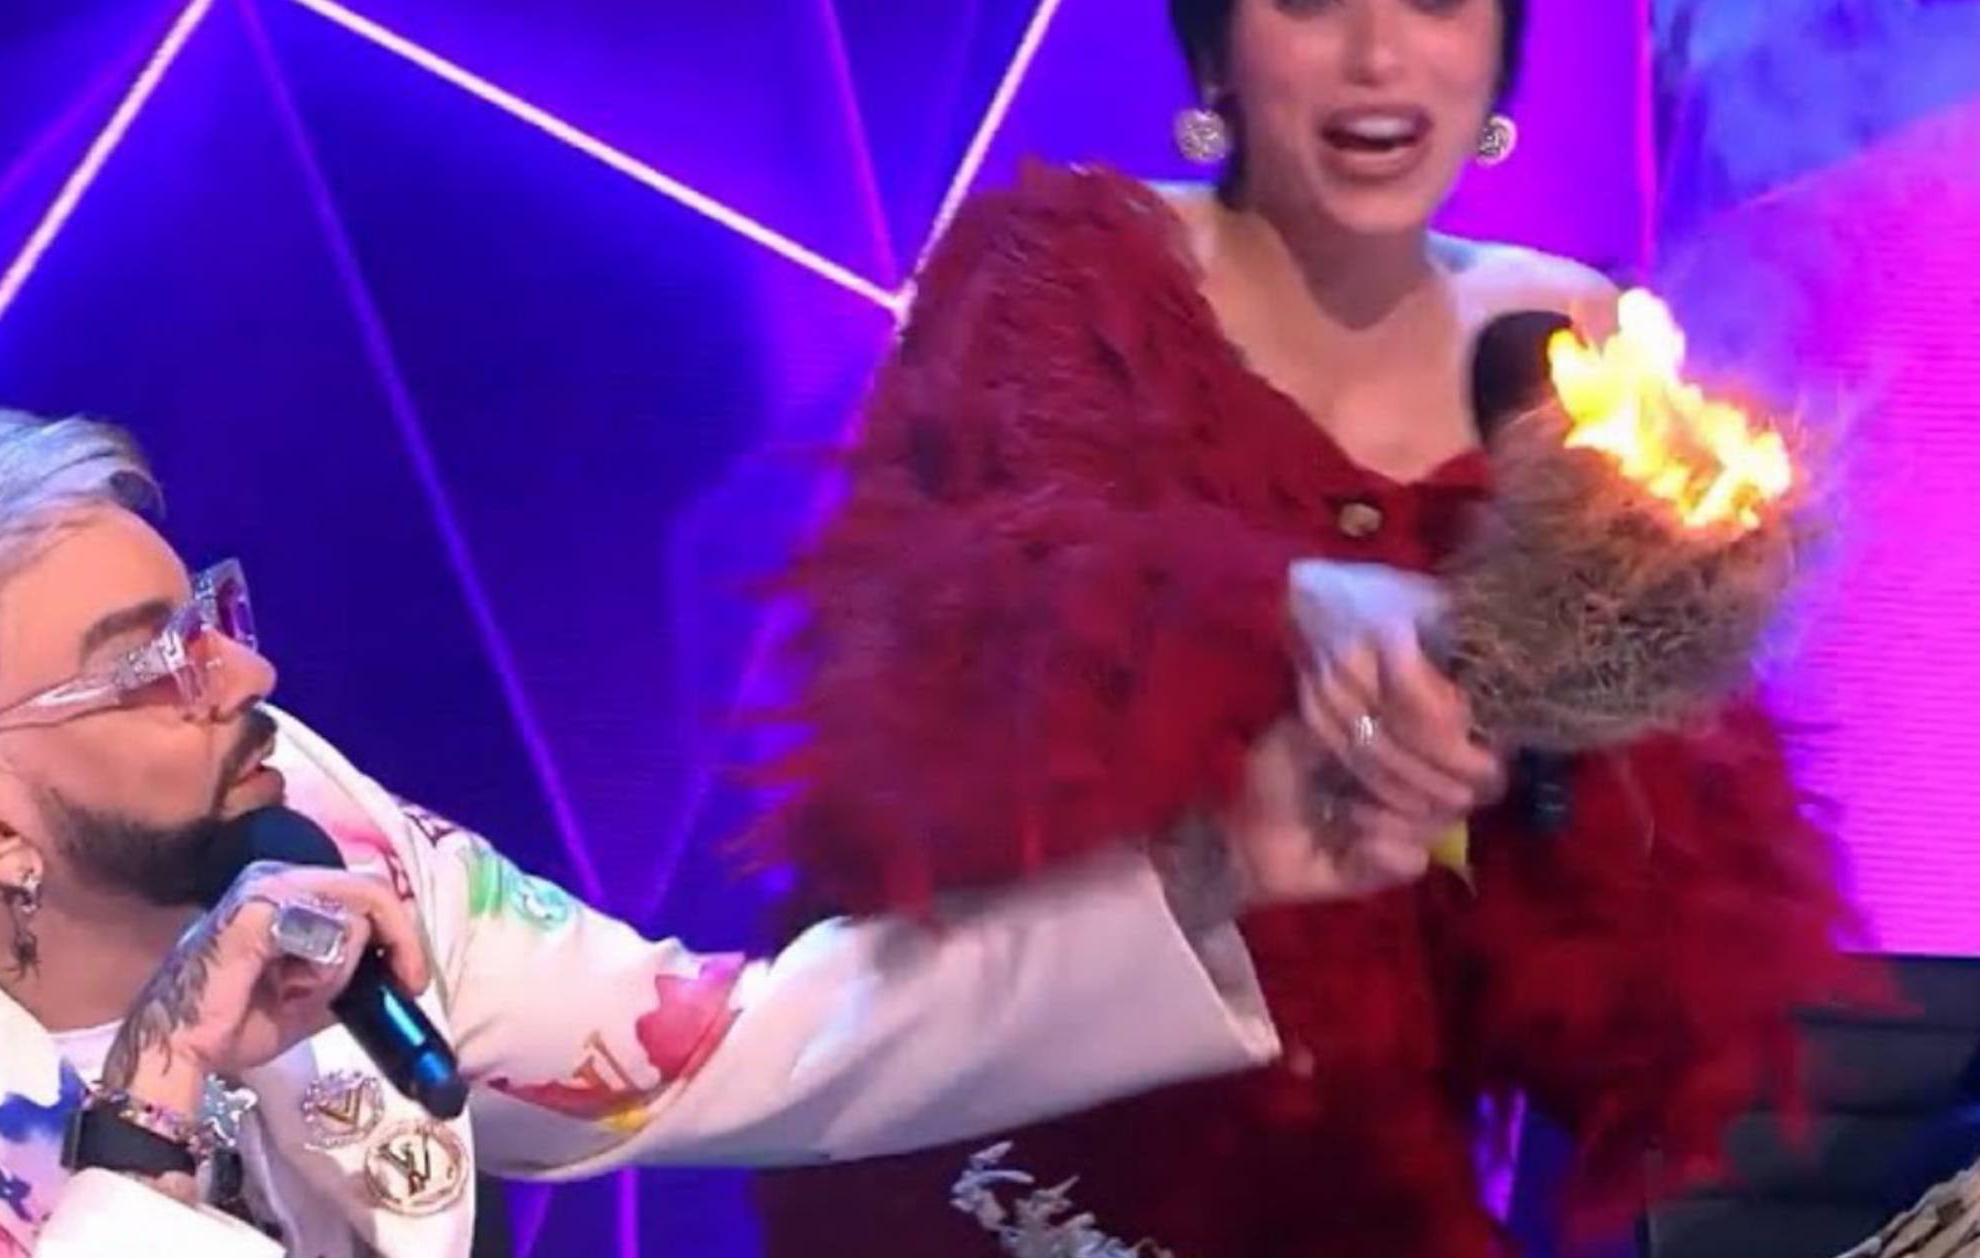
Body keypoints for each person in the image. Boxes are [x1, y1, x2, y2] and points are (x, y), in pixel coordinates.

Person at [0, 411, 1438, 1257]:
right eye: (153, 662)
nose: (247, 672)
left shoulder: (307, 826)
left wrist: (1221, 862)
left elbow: (717, 1048)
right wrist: (158, 1100)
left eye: (212, 616)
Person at [746, 1, 1860, 1255]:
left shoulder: (1574, 350)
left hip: (1355, 1185)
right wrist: (1284, 603)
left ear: (1499, 54)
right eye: (1310, 2)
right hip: (1009, 1161)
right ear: (1213, 50)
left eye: (1434, 3)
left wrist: (1610, 701)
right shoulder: (1063, 274)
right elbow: (963, 633)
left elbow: (1639, 976)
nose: (1375, 58)